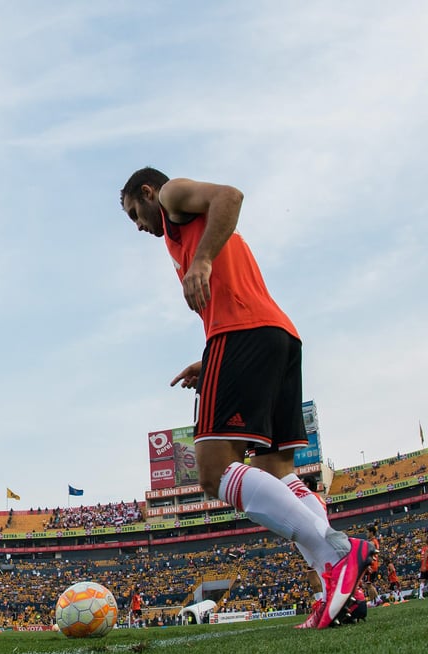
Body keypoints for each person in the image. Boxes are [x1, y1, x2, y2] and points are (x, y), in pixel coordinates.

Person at [120, 168, 375, 629]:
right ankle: (338, 590)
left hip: (241, 334)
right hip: (277, 335)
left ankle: (335, 554)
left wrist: (201, 262)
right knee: (277, 472)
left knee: (213, 471)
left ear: (147, 192)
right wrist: (208, 360)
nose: (138, 225)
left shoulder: (174, 196)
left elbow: (231, 197)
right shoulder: (178, 234)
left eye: (134, 213)